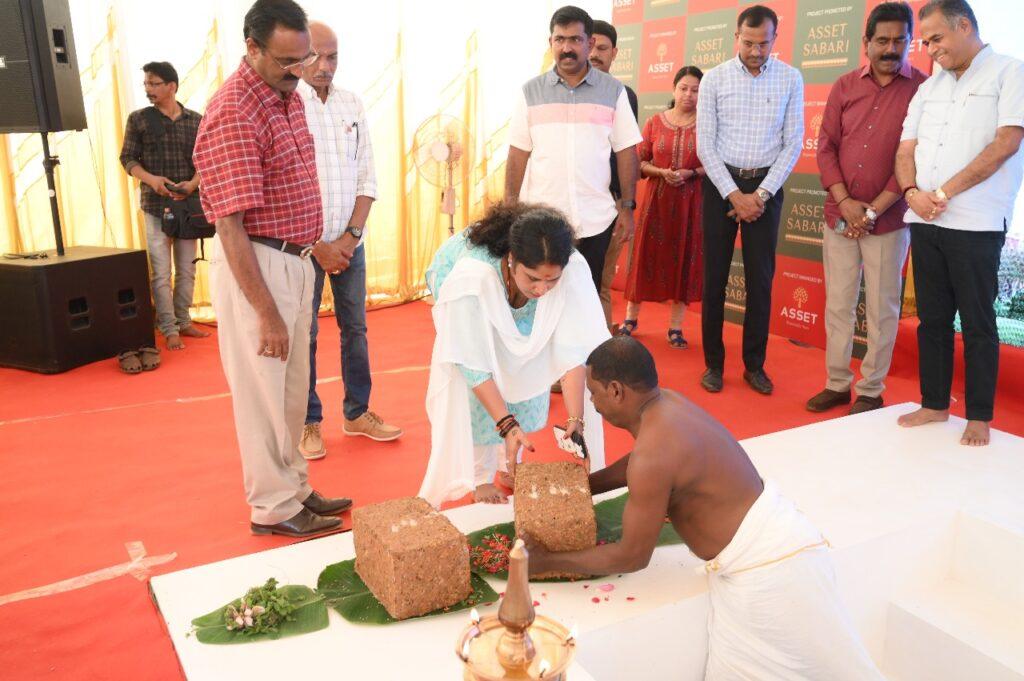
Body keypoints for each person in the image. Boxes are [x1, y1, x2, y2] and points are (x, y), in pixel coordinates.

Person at [523, 337, 884, 680]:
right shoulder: (667, 403)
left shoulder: (654, 453)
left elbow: (631, 555)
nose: (593, 402)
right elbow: (641, 462)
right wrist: (583, 487)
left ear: (616, 390)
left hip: (772, 572)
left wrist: (545, 562)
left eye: (594, 393)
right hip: (770, 552)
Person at [192, 0, 353, 537]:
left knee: (290, 390)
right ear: (252, 48)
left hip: (295, 260)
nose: (299, 71)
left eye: (303, 59)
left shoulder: (287, 96)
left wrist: (317, 247)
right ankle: (273, 507)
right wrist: (265, 312)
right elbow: (229, 225)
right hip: (257, 267)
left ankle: (295, 487)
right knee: (262, 395)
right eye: (287, 61)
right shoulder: (235, 112)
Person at [418, 204, 610, 507]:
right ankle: (480, 477)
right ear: (512, 259)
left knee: (526, 377)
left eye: (551, 280)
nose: (542, 289)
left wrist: (576, 418)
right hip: (468, 300)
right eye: (533, 278)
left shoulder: (570, 268)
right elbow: (472, 364)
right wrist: (506, 424)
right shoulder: (474, 276)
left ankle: (509, 465)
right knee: (481, 393)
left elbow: (572, 349)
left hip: (511, 299)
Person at [895, 0, 1024, 447]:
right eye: (926, 42)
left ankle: (979, 416)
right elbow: (905, 147)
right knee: (932, 319)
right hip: (923, 216)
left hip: (976, 222)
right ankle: (934, 404)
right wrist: (911, 192)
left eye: (936, 39)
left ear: (964, 25)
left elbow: (1006, 143)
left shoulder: (1009, 72)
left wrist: (943, 193)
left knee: (977, 321)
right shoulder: (929, 87)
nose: (930, 49)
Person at [808, 2, 928, 416]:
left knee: (882, 309)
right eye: (882, 40)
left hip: (889, 219)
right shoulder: (844, 85)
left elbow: (916, 156)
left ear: (910, 41)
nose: (891, 48)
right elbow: (826, 147)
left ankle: (871, 389)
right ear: (866, 42)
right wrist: (845, 202)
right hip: (839, 215)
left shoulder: (923, 89)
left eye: (900, 40)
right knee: (838, 305)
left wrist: (872, 211)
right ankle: (837, 383)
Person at [295, 20, 402, 462]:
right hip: (303, 248)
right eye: (315, 56)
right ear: (299, 56)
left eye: (333, 56)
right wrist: (318, 244)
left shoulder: (351, 103)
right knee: (304, 336)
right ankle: (307, 421)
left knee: (355, 329)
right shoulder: (288, 105)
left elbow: (367, 176)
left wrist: (352, 236)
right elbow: (284, 187)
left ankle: (357, 412)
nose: (325, 65)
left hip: (349, 244)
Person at [696, 5, 804, 395]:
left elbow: (793, 144)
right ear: (736, 37)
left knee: (761, 280)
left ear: (775, 39)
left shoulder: (791, 78)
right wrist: (733, 195)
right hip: (720, 185)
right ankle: (713, 364)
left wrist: (758, 195)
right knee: (715, 279)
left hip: (765, 188)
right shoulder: (714, 78)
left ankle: (754, 366)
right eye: (748, 43)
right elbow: (705, 144)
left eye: (763, 43)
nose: (756, 51)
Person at [505, 6, 642, 296]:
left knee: (586, 301)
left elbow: (626, 152)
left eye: (575, 40)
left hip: (595, 221)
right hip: (540, 221)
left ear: (589, 43)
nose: (567, 48)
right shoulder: (530, 92)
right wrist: (509, 210)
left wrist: (628, 208)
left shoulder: (614, 91)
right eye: (560, 39)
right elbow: (518, 154)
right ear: (550, 42)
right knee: (539, 301)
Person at [119, 61, 209, 351]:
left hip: (188, 206)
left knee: (187, 269)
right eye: (146, 83)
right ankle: (168, 327)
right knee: (160, 272)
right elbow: (128, 159)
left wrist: (192, 184)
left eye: (154, 83)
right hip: (155, 205)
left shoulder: (196, 120)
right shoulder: (139, 119)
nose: (148, 89)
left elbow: (206, 161)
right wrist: (152, 180)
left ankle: (184, 321)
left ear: (172, 86)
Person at [620, 66, 705, 349]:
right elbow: (639, 161)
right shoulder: (655, 122)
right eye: (683, 88)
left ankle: (676, 327)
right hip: (655, 203)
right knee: (644, 256)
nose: (688, 95)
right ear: (673, 89)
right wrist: (661, 172)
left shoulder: (707, 125)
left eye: (695, 90)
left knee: (685, 259)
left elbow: (714, 164)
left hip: (691, 204)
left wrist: (690, 173)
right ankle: (630, 319)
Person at [591, 19, 640, 332]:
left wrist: (626, 207)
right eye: (590, 45)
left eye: (602, 48)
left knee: (600, 281)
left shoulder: (623, 95)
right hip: (566, 202)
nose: (594, 54)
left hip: (609, 204)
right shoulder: (559, 94)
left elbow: (626, 154)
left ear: (614, 53)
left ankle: (601, 351)